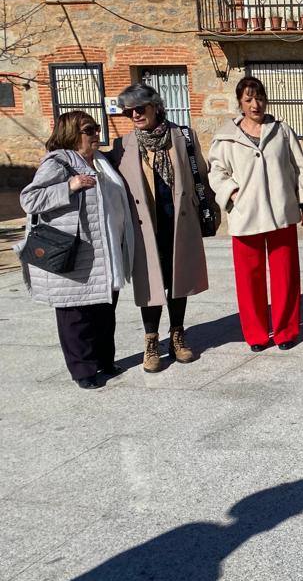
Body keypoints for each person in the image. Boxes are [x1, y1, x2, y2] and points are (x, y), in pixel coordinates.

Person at [18, 112, 135, 389]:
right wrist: (69, 186)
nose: (96, 133)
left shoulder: (102, 161)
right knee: (76, 317)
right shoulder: (59, 162)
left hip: (105, 251)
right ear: (72, 133)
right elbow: (29, 199)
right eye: (88, 129)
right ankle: (83, 370)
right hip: (75, 252)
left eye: (96, 128)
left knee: (104, 312)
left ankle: (104, 361)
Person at [110, 84, 212, 373]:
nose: (135, 114)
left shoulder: (183, 136)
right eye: (130, 111)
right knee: (150, 282)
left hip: (179, 219)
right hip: (145, 225)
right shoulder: (123, 145)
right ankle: (151, 340)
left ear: (156, 106)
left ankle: (177, 335)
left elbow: (201, 175)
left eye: (140, 108)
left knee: (177, 279)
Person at [208, 77, 303, 352]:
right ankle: (255, 334)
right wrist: (231, 193)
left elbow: (301, 168)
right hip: (245, 215)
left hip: (280, 212)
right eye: (248, 100)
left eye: (259, 98)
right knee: (249, 279)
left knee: (285, 275)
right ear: (240, 103)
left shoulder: (281, 131)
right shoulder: (225, 136)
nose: (255, 104)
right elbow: (216, 172)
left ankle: (286, 330)